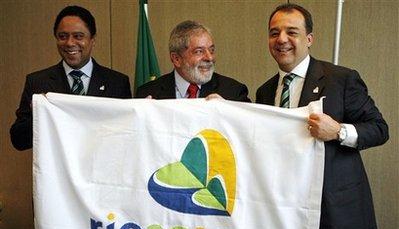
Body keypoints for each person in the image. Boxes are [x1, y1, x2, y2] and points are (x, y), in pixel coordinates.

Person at [256, 3, 389, 229]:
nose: (281, 39)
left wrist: (338, 131)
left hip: (335, 220)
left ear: (309, 39)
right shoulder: (265, 91)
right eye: (274, 32)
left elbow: (379, 128)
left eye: (291, 32)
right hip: (284, 220)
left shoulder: (341, 79)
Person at [10, 5, 132, 151]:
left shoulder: (117, 83)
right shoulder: (38, 82)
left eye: (78, 36)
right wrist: (39, 114)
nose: (69, 43)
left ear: (93, 39)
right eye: (63, 36)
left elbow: (128, 136)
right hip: (57, 172)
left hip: (102, 170)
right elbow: (18, 141)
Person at [135, 20, 250, 102]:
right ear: (176, 59)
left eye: (212, 50)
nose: (209, 58)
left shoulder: (233, 92)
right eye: (199, 51)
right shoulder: (147, 93)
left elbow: (249, 131)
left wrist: (228, 112)